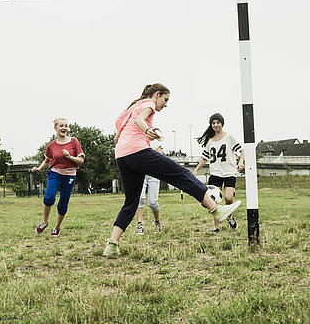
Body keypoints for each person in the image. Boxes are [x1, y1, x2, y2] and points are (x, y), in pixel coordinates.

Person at [103, 84, 241, 257]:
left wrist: (139, 136)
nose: (165, 105)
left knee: (131, 202)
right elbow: (140, 120)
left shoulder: (132, 107)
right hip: (137, 151)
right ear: (157, 94)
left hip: (122, 157)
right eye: (165, 100)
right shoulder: (148, 104)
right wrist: (147, 130)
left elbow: (118, 135)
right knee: (182, 174)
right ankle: (216, 209)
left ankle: (112, 244)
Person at [192, 113, 245, 233]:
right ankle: (216, 227)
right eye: (213, 123)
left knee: (228, 197)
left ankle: (230, 218)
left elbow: (241, 150)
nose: (216, 125)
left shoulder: (229, 137)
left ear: (222, 123)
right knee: (214, 200)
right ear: (211, 125)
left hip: (229, 172)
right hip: (215, 173)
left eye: (218, 122)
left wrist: (241, 162)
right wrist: (196, 170)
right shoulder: (210, 142)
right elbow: (204, 158)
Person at [32, 118, 85, 236]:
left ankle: (57, 227)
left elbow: (81, 160)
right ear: (55, 128)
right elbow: (47, 161)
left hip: (70, 175)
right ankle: (44, 222)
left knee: (62, 204)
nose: (64, 128)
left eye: (66, 126)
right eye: (61, 126)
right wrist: (39, 168)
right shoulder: (51, 145)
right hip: (55, 173)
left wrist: (69, 157)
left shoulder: (74, 142)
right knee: (49, 198)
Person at [135, 140, 163, 235]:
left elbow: (160, 157)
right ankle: (140, 224)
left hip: (153, 174)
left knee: (152, 202)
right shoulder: (136, 139)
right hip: (140, 173)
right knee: (140, 199)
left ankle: (157, 222)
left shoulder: (154, 142)